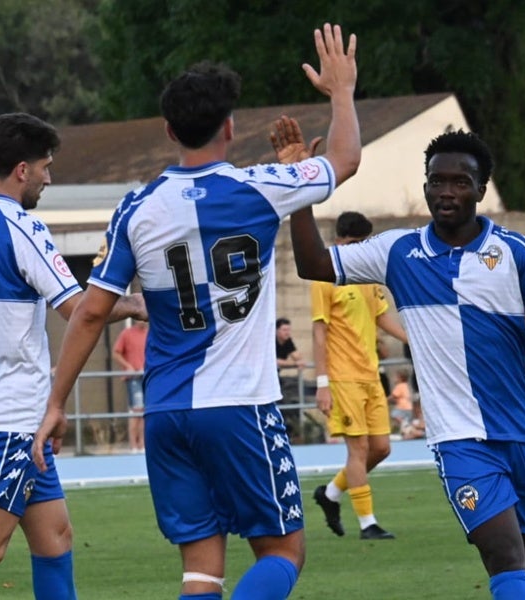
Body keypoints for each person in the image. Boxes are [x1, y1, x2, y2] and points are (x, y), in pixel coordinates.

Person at [33, 25, 363, 600]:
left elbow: (88, 314)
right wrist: (340, 92)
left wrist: (56, 403)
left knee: (202, 569)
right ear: (230, 128)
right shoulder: (258, 188)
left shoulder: (136, 208)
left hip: (167, 412)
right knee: (283, 550)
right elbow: (345, 158)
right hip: (238, 406)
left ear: (167, 130)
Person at [286, 126, 525, 599]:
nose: (446, 191)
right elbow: (314, 265)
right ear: (426, 185)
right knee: (505, 558)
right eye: (437, 181)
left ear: (480, 189)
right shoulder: (398, 252)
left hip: (521, 433)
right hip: (460, 439)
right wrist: (301, 189)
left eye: (460, 181)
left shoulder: (514, 253)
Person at [0, 112, 144, 600]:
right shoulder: (23, 226)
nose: (49, 177)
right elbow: (78, 309)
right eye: (45, 166)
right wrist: (136, 303)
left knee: (54, 536)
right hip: (13, 409)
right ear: (22, 169)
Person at [310, 211, 408, 541]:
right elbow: (319, 333)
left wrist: (415, 339)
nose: (358, 249)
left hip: (370, 374)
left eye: (363, 244)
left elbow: (382, 318)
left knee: (381, 448)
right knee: (359, 449)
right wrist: (322, 383)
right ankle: (368, 524)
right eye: (354, 244)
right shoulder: (324, 275)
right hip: (342, 377)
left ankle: (331, 494)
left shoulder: (367, 274)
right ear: (339, 240)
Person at [112, 320, 149, 453]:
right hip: (133, 378)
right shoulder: (126, 334)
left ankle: (143, 444)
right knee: (136, 410)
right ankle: (134, 445)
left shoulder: (151, 333)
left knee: (146, 411)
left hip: (148, 376)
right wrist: (128, 366)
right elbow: (116, 352)